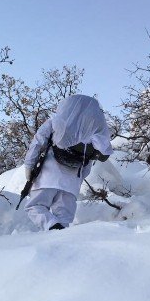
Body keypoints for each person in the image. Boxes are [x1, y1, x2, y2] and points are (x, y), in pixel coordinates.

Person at [23, 94, 113, 231]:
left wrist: (29, 167)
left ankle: (52, 227)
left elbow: (37, 143)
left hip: (48, 177)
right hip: (71, 183)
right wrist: (78, 180)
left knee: (35, 207)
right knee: (63, 219)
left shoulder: (56, 122)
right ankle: (60, 243)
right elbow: (89, 161)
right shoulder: (93, 134)